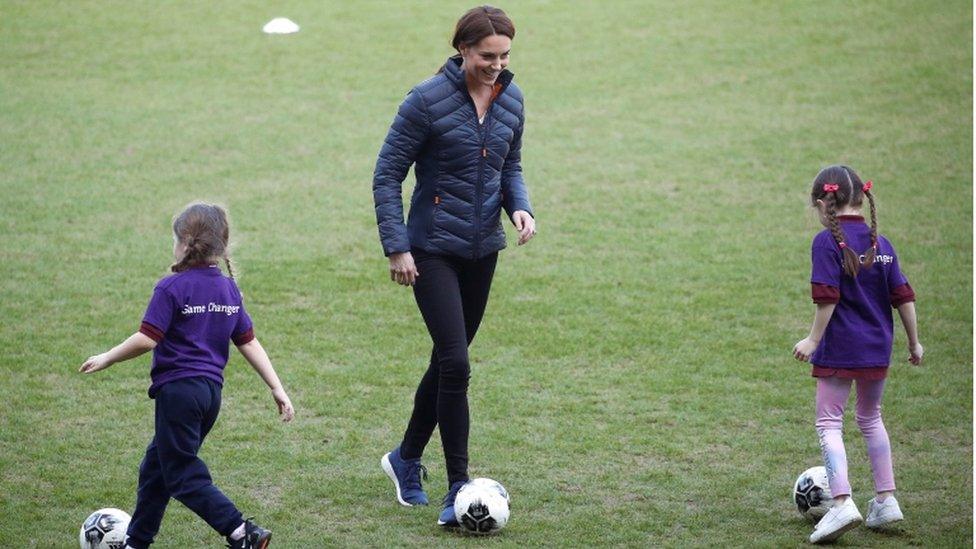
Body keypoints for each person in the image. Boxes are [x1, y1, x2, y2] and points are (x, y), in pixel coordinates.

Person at [372, 5, 535, 527]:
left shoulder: (512, 99)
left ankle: (404, 458)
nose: (496, 64)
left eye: (505, 55)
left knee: (448, 359)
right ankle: (458, 487)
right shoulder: (425, 101)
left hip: (483, 249)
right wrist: (397, 247)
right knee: (457, 364)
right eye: (487, 55)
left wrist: (521, 207)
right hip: (431, 250)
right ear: (463, 49)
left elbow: (511, 164)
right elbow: (386, 175)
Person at [80, 203, 295, 549]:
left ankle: (241, 531)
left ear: (183, 243)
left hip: (179, 393)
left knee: (180, 473)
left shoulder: (172, 287)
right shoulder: (228, 290)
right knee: (157, 467)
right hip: (210, 396)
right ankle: (137, 541)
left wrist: (107, 357)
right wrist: (277, 387)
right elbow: (249, 342)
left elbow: (147, 339)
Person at [792, 166, 923, 544]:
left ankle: (842, 502)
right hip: (877, 348)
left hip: (840, 348)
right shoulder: (881, 243)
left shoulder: (825, 241)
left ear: (822, 204)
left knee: (829, 423)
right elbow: (904, 297)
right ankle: (886, 499)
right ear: (862, 199)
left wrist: (813, 341)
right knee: (870, 418)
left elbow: (826, 298)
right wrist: (914, 343)